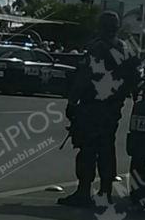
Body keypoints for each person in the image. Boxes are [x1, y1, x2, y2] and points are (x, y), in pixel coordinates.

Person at [57, 11, 140, 207]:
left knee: (87, 150)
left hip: (93, 106)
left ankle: (84, 192)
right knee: (106, 149)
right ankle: (105, 192)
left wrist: (72, 102)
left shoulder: (97, 48)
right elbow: (134, 78)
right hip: (112, 107)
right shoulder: (126, 49)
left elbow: (84, 77)